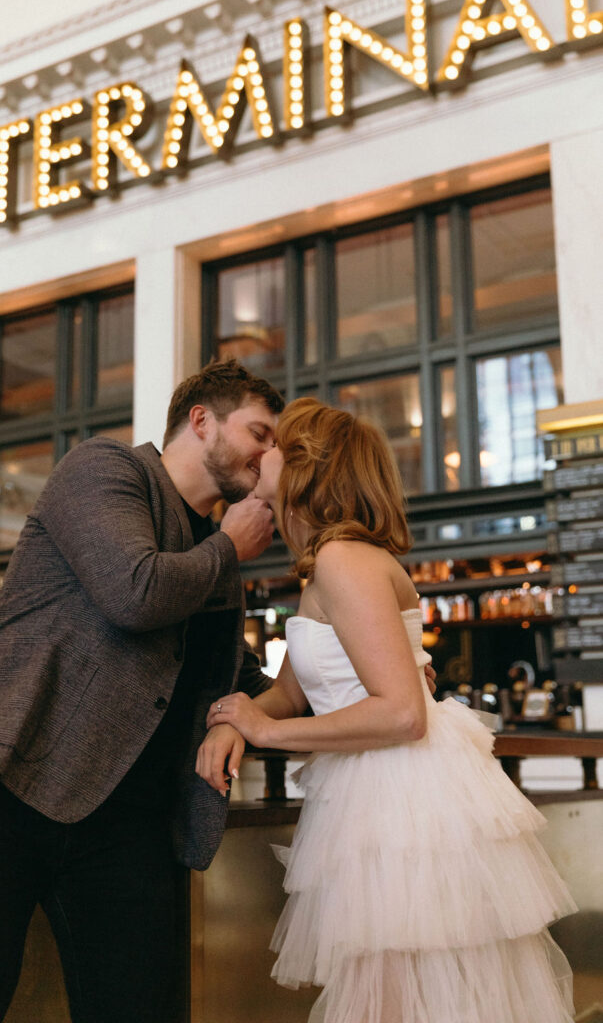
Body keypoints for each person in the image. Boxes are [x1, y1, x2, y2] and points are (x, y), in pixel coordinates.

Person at [0, 359, 283, 1023]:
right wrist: (230, 548)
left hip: (127, 816)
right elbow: (134, 593)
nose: (267, 456)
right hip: (0, 783)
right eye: (259, 432)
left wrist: (368, 671)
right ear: (201, 421)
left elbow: (236, 675)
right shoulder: (106, 469)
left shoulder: (212, 546)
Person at [198, 397, 576, 1023]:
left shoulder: (345, 561)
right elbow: (292, 692)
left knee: (401, 998)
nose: (259, 454)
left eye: (274, 445)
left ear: (305, 468)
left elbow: (403, 713)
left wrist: (265, 727)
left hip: (401, 806)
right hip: (381, 795)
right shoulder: (327, 564)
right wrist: (236, 719)